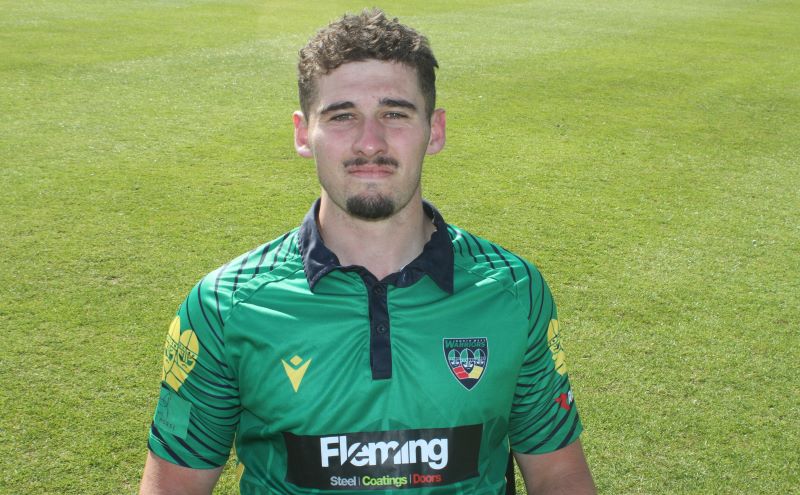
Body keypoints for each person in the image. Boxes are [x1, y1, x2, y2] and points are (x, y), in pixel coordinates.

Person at [139, 8, 595, 495]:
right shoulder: (225, 306)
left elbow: (558, 475)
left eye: (394, 114)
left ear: (435, 130)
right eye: (342, 116)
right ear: (303, 133)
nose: (370, 143)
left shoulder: (514, 292)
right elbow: (174, 486)